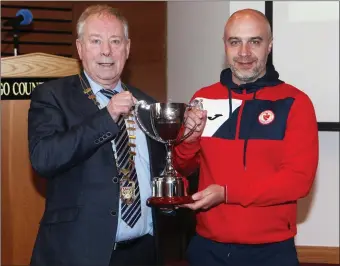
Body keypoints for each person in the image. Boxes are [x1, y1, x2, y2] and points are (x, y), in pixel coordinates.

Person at [173, 8, 319, 266]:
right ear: (225, 46)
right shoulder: (203, 98)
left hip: (271, 252)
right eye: (235, 42)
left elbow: (297, 182)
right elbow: (181, 168)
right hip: (207, 248)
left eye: (254, 41)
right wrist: (189, 141)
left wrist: (228, 193)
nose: (244, 53)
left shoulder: (296, 102)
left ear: (269, 46)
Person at [28, 5, 167, 266]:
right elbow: (44, 158)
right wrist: (107, 115)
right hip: (78, 253)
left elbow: (162, 173)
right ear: (80, 49)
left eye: (115, 41)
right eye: (96, 41)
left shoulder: (147, 103)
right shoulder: (53, 96)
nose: (106, 51)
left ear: (127, 48)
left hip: (143, 252)